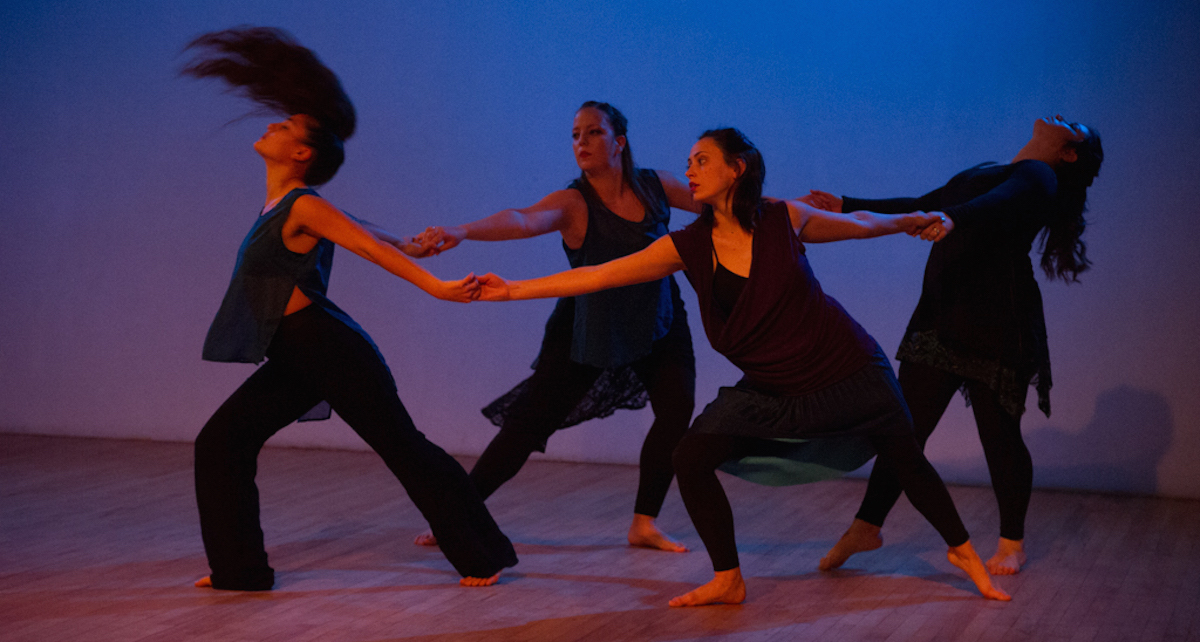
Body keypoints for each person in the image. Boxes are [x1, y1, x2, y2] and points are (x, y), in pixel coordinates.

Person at [475, 128, 1010, 606]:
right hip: (777, 386)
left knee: (905, 458)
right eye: (688, 162)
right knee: (691, 454)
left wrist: (911, 220)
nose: (689, 170)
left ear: (738, 168)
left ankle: (964, 553)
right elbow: (599, 275)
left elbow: (859, 224)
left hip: (847, 367)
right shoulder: (687, 245)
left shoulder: (784, 219)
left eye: (702, 160)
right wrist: (511, 290)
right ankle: (728, 578)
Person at [182, 27, 517, 590]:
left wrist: (434, 285)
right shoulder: (287, 204)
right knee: (221, 442)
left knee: (403, 448)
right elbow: (362, 228)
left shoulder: (303, 204)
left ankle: (483, 556)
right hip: (295, 353)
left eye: (285, 126)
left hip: (327, 348)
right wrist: (408, 241)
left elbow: (361, 245)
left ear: (301, 152)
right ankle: (239, 572)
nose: (272, 124)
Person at [810, 115, 1104, 576]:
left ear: (1069, 152)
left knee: (999, 433)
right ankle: (867, 525)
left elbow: (994, 203)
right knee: (903, 429)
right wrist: (846, 203)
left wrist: (953, 217)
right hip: (943, 316)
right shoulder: (986, 169)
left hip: (997, 322)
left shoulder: (1039, 175)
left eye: (1073, 126)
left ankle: (1012, 543)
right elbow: (923, 205)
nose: (1061, 116)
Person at [410, 102, 701, 552]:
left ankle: (644, 523)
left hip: (657, 317)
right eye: (575, 135)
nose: (581, 142)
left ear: (619, 142)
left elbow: (722, 203)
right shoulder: (573, 202)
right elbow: (523, 219)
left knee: (677, 410)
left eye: (593, 133)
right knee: (527, 426)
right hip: (588, 326)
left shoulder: (655, 185)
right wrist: (462, 230)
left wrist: (800, 212)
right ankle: (456, 514)